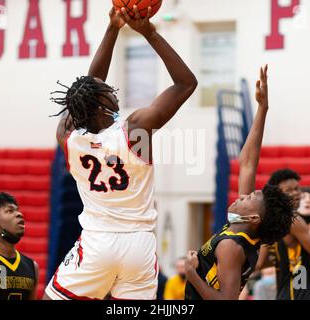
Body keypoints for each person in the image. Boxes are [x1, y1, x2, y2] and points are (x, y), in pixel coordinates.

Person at [44, 5, 197, 300]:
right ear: (103, 107)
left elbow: (88, 92)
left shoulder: (68, 138)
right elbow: (185, 83)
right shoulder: (136, 130)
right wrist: (149, 32)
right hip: (138, 247)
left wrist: (112, 29)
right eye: (109, 92)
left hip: (97, 243)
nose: (114, 92)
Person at [184, 65, 295, 300]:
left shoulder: (231, 247)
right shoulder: (245, 234)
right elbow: (247, 163)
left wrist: (192, 274)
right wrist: (262, 108)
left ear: (254, 218)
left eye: (249, 198)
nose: (242, 196)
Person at [256, 169, 310, 300]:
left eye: (297, 189)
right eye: (289, 190)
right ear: (277, 194)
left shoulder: (270, 221)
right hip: (300, 293)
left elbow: (260, 263)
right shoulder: (293, 220)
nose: (295, 193)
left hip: (285, 293)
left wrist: (285, 260)